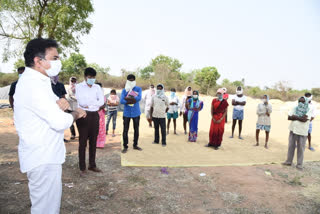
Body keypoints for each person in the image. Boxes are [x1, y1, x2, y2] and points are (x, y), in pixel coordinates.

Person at [14, 38, 86, 214]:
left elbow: (52, 110)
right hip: (42, 157)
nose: (58, 62)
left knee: (47, 207)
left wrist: (61, 105)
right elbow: (59, 121)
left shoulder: (39, 83)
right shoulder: (33, 85)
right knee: (45, 209)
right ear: (39, 61)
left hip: (44, 155)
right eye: (54, 58)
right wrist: (77, 113)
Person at [76, 67, 104, 176]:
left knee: (93, 141)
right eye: (89, 77)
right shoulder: (79, 87)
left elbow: (101, 101)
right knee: (83, 142)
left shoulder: (97, 87)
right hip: (83, 115)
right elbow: (82, 102)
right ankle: (82, 168)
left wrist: (91, 104)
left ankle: (92, 165)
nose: (91, 79)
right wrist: (94, 103)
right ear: (85, 77)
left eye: (93, 77)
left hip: (95, 115)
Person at [282, 96, 311, 170]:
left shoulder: (309, 109)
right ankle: (289, 162)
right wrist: (299, 117)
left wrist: (295, 117)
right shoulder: (295, 108)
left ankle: (299, 165)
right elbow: (289, 117)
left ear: (306, 102)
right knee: (291, 146)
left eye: (302, 102)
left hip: (302, 131)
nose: (301, 103)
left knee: (300, 148)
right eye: (299, 102)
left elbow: (304, 119)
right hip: (293, 129)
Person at [120, 74, 143, 153]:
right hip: (126, 113)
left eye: (132, 80)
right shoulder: (124, 90)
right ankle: (125, 146)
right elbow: (121, 101)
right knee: (125, 130)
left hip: (136, 113)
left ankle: (135, 145)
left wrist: (127, 98)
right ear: (127, 81)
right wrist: (132, 99)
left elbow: (139, 98)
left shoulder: (138, 89)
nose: (131, 81)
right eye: (130, 80)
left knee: (136, 129)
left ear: (135, 80)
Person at [50, 75, 69, 143]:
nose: (55, 77)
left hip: (61, 107)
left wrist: (66, 107)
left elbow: (63, 96)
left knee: (60, 123)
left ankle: (61, 137)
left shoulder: (61, 85)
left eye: (57, 75)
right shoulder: (47, 85)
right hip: (51, 107)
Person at [96, 83, 106, 149]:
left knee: (100, 129)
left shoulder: (103, 96)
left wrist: (97, 108)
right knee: (94, 129)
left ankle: (101, 144)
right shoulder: (91, 95)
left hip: (100, 115)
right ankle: (94, 143)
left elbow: (104, 105)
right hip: (93, 114)